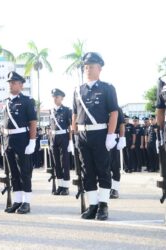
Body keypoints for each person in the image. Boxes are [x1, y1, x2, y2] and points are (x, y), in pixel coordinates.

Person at [72, 52, 119, 221]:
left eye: (91, 67)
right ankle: (92, 205)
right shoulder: (78, 90)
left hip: (100, 134)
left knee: (103, 170)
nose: (88, 70)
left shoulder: (107, 88)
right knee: (87, 171)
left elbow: (114, 113)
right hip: (83, 134)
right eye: (85, 67)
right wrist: (75, 135)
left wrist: (110, 135)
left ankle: (103, 205)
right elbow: (74, 114)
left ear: (99, 68)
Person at [3, 71, 37, 214]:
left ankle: (26, 202)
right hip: (8, 140)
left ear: (21, 85)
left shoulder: (27, 101)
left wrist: (32, 141)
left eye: (14, 82)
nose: (11, 85)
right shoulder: (6, 102)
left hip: (22, 139)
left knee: (24, 171)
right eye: (10, 82)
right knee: (13, 173)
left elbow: (33, 122)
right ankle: (17, 200)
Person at [49, 88, 73, 196]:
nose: (55, 99)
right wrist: (50, 140)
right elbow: (50, 127)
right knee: (56, 163)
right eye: (53, 97)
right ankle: (60, 185)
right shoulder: (51, 111)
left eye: (57, 97)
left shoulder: (67, 110)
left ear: (62, 98)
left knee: (65, 162)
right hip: (54, 138)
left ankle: (66, 186)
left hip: (64, 136)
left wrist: (71, 141)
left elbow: (70, 126)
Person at [109, 108, 126, 199]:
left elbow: (121, 124)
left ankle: (115, 189)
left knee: (114, 165)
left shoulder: (117, 108)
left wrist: (122, 138)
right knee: (103, 166)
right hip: (100, 139)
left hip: (113, 139)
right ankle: (106, 188)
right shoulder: (100, 105)